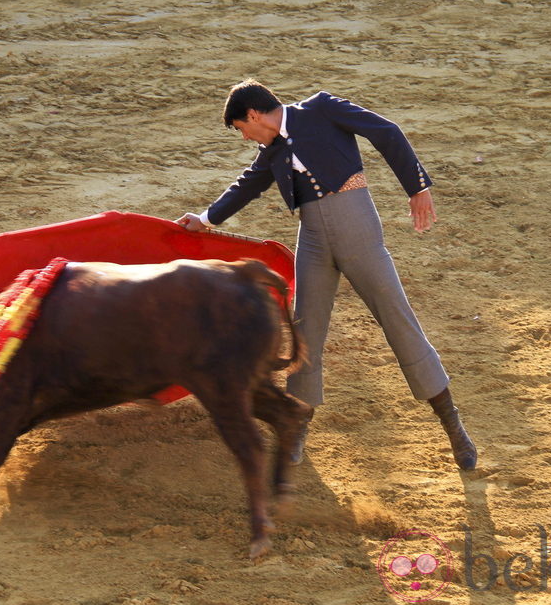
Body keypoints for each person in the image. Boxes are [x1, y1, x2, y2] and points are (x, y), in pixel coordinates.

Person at [176, 79, 477, 470]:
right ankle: (298, 424)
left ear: (252, 115)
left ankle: (453, 426)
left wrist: (417, 186)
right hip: (314, 239)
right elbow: (248, 184)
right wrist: (205, 219)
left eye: (240, 129)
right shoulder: (273, 150)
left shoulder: (321, 108)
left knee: (398, 320)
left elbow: (386, 131)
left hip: (358, 231)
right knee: (306, 332)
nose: (245, 136)